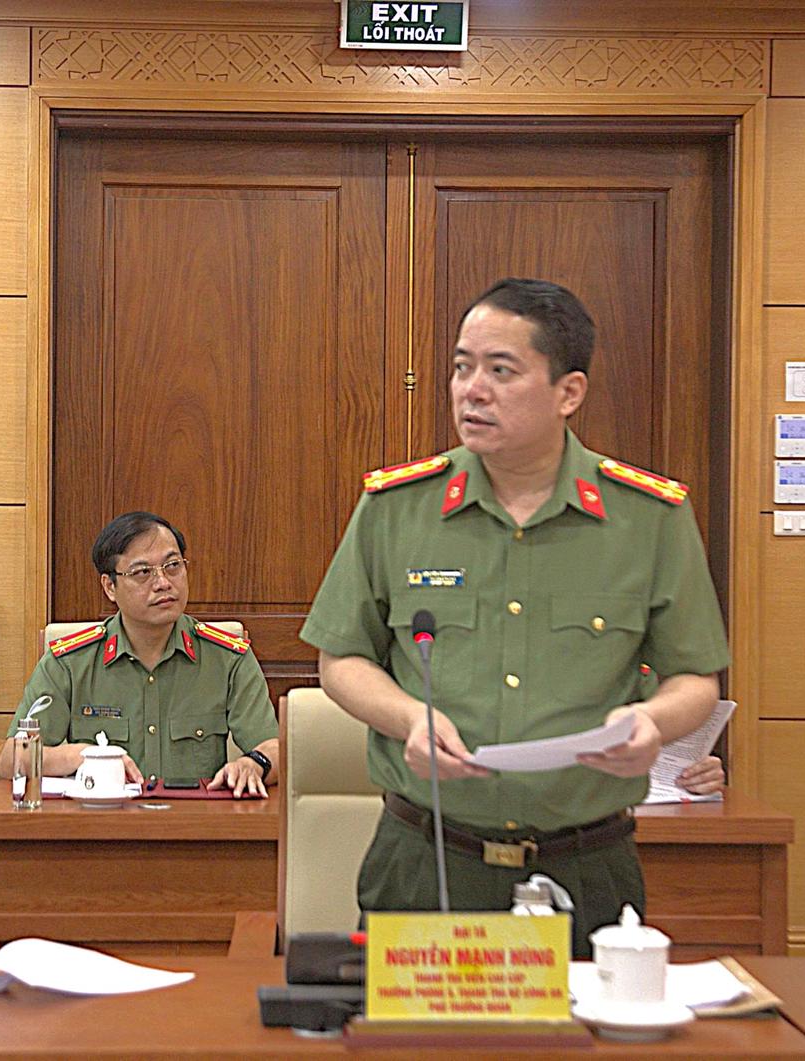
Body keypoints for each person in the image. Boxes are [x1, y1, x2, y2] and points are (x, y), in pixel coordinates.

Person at [301, 277, 730, 956]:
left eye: (501, 371)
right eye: (462, 367)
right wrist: (410, 717)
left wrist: (652, 722)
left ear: (569, 392)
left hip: (585, 865)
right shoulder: (397, 507)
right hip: (428, 859)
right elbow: (342, 659)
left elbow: (695, 678)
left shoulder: (649, 519)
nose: (472, 390)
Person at [0, 512, 280, 798]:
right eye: (143, 572)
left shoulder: (228, 658)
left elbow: (277, 749)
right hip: (104, 820)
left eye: (172, 566)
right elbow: (10, 760)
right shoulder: (70, 663)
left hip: (196, 819)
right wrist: (82, 755)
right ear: (110, 587)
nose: (163, 582)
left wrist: (254, 763)